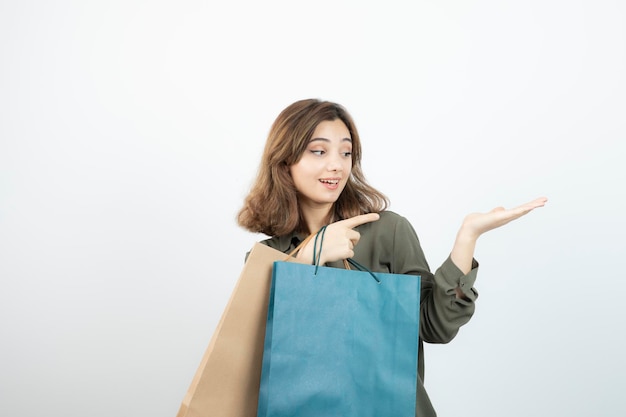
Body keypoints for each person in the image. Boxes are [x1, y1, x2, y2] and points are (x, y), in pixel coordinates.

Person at [237, 98, 547, 416]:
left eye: (346, 152)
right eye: (319, 151)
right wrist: (310, 255)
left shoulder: (387, 231)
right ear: (285, 161)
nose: (337, 165)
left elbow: (435, 326)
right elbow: (249, 346)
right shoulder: (266, 256)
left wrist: (468, 236)